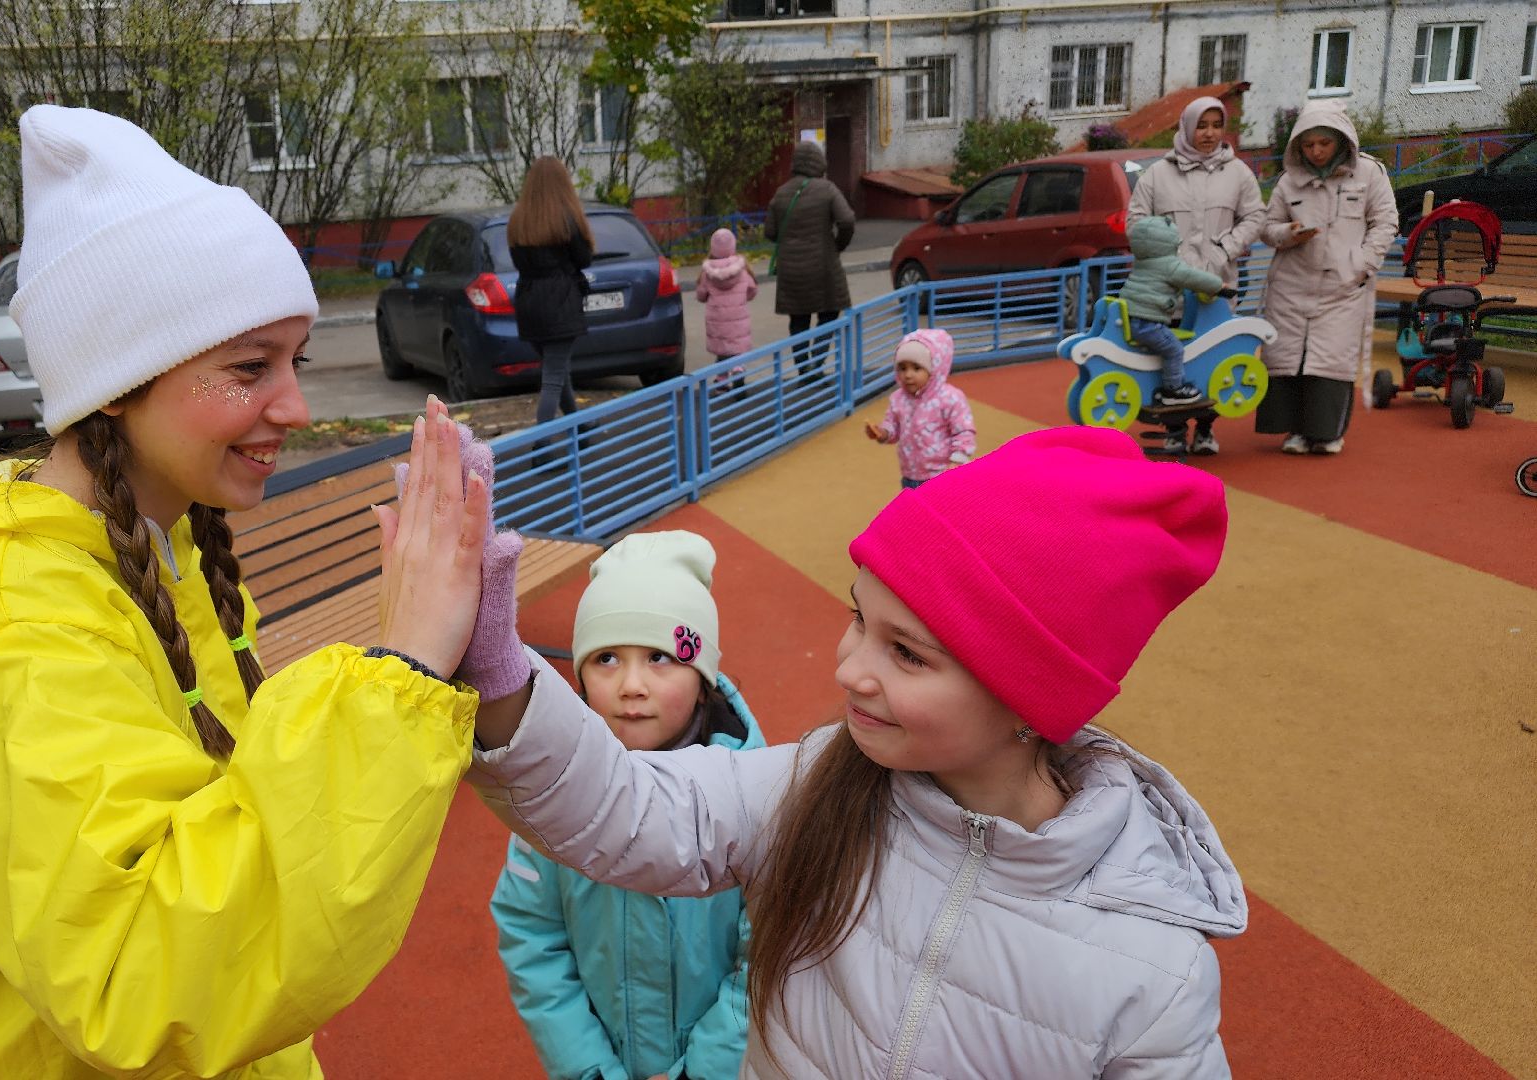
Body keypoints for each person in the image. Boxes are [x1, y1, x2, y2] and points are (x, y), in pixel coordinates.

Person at [0, 105, 491, 1079]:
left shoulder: (158, 551)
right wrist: (402, 671)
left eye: (294, 361)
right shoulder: (16, 633)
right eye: (249, 368)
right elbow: (143, 970)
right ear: (117, 383)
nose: (296, 406)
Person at [461, 426, 1247, 1078]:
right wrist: (497, 670)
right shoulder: (812, 788)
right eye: (858, 619)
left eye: (905, 653)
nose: (848, 670)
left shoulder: (1153, 974)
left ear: (1030, 698)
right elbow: (625, 809)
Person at [492, 531, 759, 1080]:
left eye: (659, 657)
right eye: (607, 658)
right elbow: (531, 932)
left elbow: (770, 957)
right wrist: (589, 1067)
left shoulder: (756, 799)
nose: (631, 685)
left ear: (703, 681)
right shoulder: (552, 799)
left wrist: (701, 1071)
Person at [1257, 103, 1399, 455]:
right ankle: (1293, 430)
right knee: (1289, 358)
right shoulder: (1289, 180)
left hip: (1343, 284)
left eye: (1324, 143)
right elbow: (1267, 227)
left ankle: (1325, 433)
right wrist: (1288, 234)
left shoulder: (1369, 173)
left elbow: (1385, 222)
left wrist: (1362, 264)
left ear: (1341, 140)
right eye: (1308, 145)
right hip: (1291, 283)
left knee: (1330, 360)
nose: (1316, 152)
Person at [1128, 96, 1266, 455]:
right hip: (1168, 290)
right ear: (1187, 127)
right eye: (1201, 126)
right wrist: (1164, 259)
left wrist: (1226, 249)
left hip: (1216, 282)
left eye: (1216, 126)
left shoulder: (1238, 173)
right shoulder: (1158, 174)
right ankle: (1174, 428)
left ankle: (1205, 428)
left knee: (1215, 358)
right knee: (1171, 354)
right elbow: (1136, 222)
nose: (1209, 133)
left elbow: (1255, 216)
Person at [509, 156, 595, 424]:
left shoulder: (518, 220)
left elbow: (518, 262)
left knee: (557, 371)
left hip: (528, 302)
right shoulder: (567, 219)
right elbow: (584, 259)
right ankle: (542, 443)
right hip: (560, 302)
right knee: (553, 378)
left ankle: (580, 429)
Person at [1117, 216, 1235, 408]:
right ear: (1169, 244)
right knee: (1174, 350)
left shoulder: (1142, 262)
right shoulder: (1170, 265)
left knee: (1166, 344)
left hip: (1132, 318)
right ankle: (1174, 389)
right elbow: (1193, 277)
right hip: (1148, 322)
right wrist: (1218, 286)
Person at [764, 141, 853, 378]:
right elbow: (846, 221)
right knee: (829, 314)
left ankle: (804, 369)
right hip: (824, 267)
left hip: (791, 271)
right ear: (819, 162)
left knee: (799, 320)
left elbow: (770, 232)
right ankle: (817, 362)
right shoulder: (828, 189)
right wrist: (838, 245)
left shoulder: (781, 193)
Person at [863, 329, 975, 489]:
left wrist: (957, 460)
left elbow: (964, 431)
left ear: (934, 369)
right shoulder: (898, 398)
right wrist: (883, 433)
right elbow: (893, 425)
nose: (908, 375)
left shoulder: (950, 398)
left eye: (916, 368)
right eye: (902, 368)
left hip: (942, 474)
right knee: (912, 506)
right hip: (910, 475)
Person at [697, 226, 757, 392]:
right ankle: (738, 369)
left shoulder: (707, 272)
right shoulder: (742, 270)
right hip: (738, 320)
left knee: (722, 351)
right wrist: (743, 297)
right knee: (736, 351)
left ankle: (721, 382)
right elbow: (752, 290)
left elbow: (701, 295)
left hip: (717, 321)